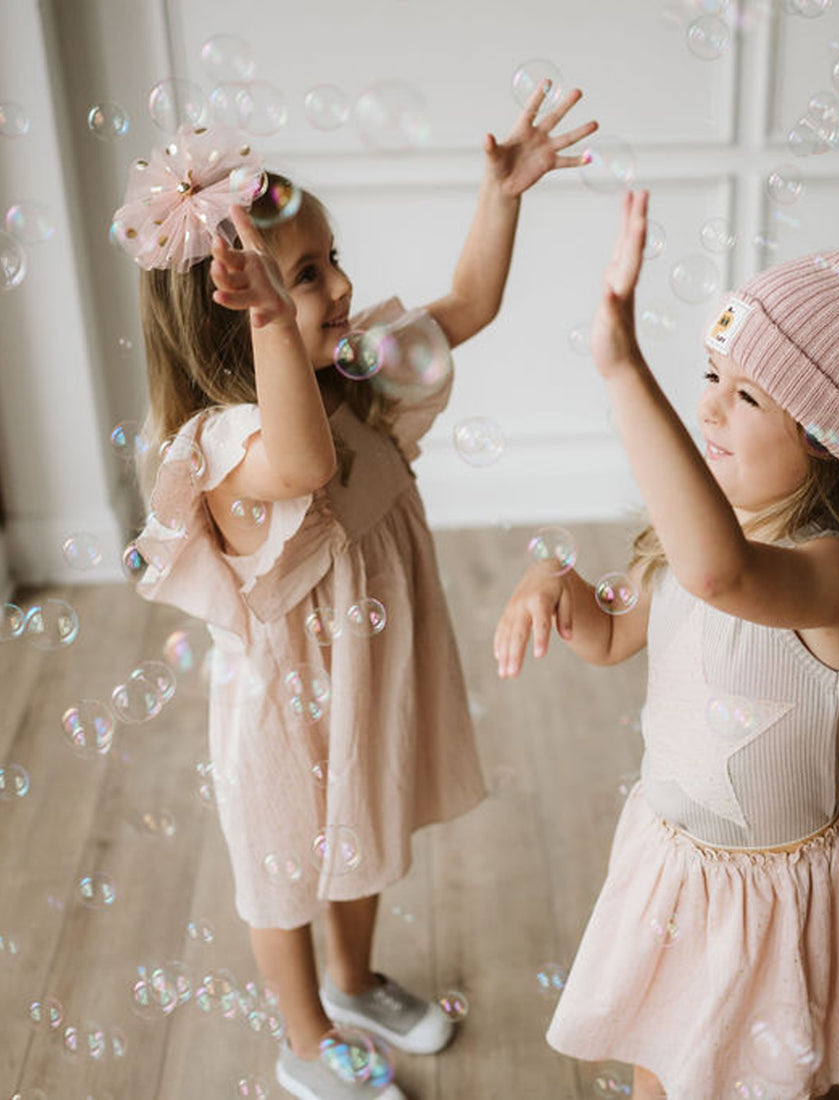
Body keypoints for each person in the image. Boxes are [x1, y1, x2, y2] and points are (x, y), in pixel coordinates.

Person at [117, 83, 597, 1100]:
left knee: (364, 836)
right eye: (303, 276)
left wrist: (500, 193)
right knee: (285, 867)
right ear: (233, 311)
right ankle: (304, 1039)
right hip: (284, 711)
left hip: (370, 668)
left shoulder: (355, 373)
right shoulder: (225, 444)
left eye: (334, 260)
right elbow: (301, 468)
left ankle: (352, 982)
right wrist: (276, 333)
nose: (337, 287)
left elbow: (466, 305)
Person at [494, 191, 839, 1100]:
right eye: (708, 376)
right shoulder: (698, 529)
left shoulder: (837, 575)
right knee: (661, 1072)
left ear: (827, 441)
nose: (711, 410)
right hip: (674, 865)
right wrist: (559, 591)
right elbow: (619, 632)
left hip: (772, 908)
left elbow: (722, 576)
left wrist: (623, 371)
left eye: (747, 396)